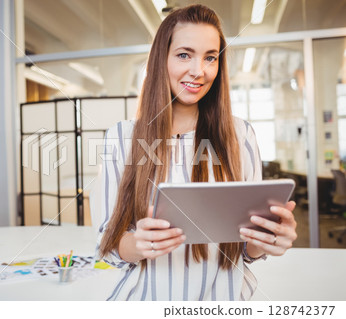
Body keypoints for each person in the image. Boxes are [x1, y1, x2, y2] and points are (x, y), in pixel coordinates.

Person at [91, 4, 297, 301]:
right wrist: (139, 244)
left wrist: (267, 240)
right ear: (162, 59)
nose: (199, 71)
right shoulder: (122, 138)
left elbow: (245, 252)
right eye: (184, 55)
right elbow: (107, 245)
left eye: (210, 58)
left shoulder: (241, 135)